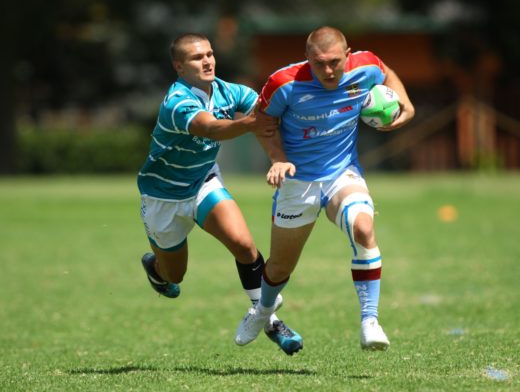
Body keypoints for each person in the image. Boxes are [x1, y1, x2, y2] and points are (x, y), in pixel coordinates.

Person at [235, 26, 415, 351]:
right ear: (307, 57)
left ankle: (370, 321)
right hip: (297, 182)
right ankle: (262, 310)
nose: (329, 70)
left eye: (335, 62)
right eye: (319, 63)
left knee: (363, 228)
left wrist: (407, 104)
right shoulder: (283, 83)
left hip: (342, 174)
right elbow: (261, 122)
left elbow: (386, 72)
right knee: (280, 267)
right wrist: (278, 159)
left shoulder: (366, 65)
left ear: (348, 55)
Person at [137, 33, 303, 355]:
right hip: (163, 196)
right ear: (179, 66)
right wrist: (252, 123)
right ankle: (155, 270)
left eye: (210, 54)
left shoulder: (229, 91)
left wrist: (278, 156)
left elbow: (264, 114)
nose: (207, 61)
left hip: (203, 182)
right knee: (175, 275)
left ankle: (269, 321)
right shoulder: (177, 101)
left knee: (244, 245)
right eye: (197, 57)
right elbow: (211, 128)